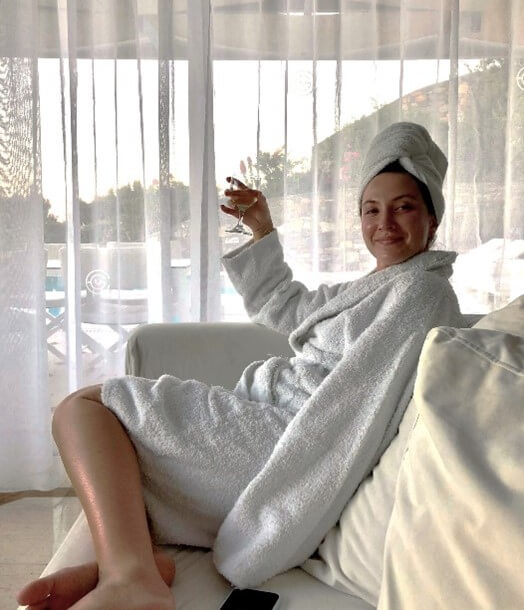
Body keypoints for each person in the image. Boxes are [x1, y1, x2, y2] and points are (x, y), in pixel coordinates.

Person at [18, 122, 466, 610]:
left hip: (279, 439)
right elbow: (288, 305)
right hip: (266, 418)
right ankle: (136, 562)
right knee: (100, 428)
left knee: (84, 408)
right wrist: (263, 230)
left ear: (433, 218)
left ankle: (131, 578)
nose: (385, 223)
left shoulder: (422, 292)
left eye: (404, 207)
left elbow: (357, 406)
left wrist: (289, 508)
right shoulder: (378, 286)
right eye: (371, 209)